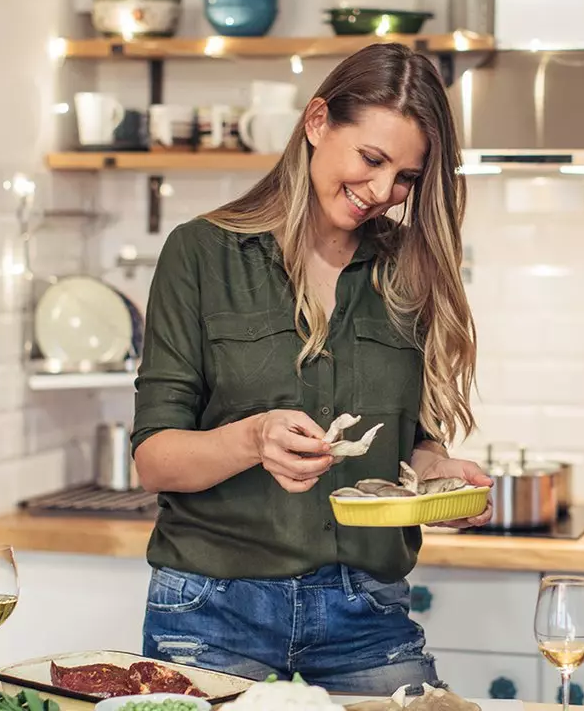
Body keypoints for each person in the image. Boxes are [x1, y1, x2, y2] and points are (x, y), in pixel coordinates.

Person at [130, 43, 492, 695]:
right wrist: (253, 437)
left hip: (367, 614)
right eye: (373, 159)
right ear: (318, 122)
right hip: (212, 612)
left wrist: (432, 468)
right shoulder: (201, 255)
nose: (384, 193)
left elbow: (405, 431)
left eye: (407, 177)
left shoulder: (406, 267)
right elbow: (155, 458)